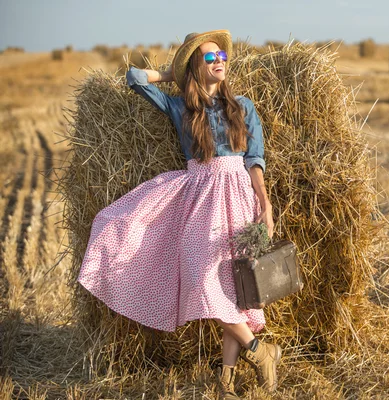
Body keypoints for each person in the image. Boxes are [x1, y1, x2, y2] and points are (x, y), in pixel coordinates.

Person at [77, 30, 281, 399]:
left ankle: (226, 381)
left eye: (221, 55)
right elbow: (135, 78)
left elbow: (255, 160)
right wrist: (176, 73)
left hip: (238, 194)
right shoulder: (179, 106)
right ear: (194, 66)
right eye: (208, 57)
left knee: (230, 289)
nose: (219, 60)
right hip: (200, 194)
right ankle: (260, 350)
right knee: (201, 278)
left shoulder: (244, 107)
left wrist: (264, 204)